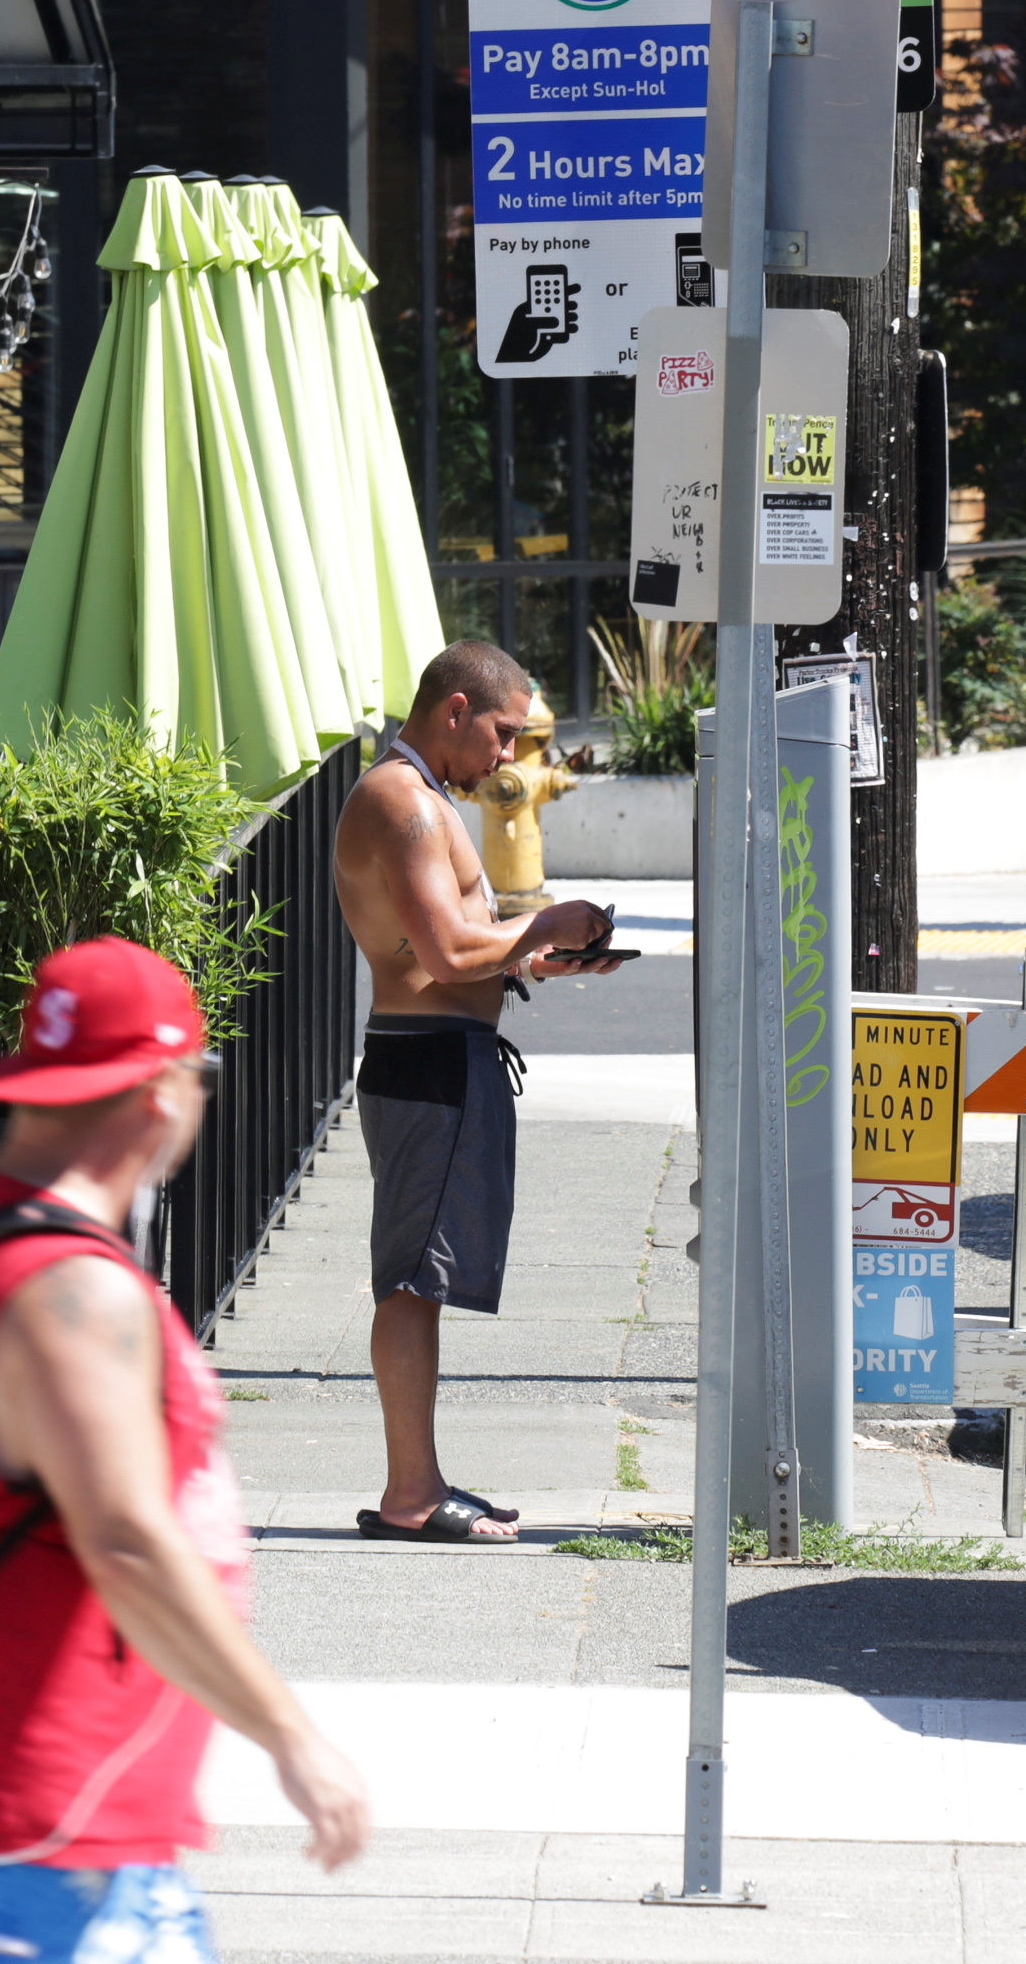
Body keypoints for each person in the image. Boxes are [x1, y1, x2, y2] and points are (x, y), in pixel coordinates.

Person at [0, 938, 373, 1962]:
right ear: (161, 1092)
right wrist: (290, 1737)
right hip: (40, 1842)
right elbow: (126, 1541)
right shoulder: (72, 1294)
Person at [331, 640, 625, 1545]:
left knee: (416, 1282)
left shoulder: (415, 798)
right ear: (454, 710)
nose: (506, 756)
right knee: (411, 1285)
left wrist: (539, 955)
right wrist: (543, 923)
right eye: (500, 733)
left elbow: (457, 945)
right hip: (429, 1065)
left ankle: (421, 1482)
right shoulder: (403, 802)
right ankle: (410, 1496)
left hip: (434, 1058)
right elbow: (454, 954)